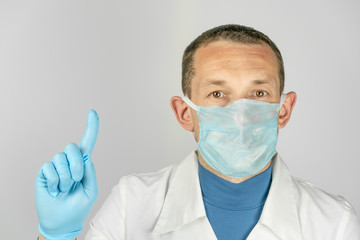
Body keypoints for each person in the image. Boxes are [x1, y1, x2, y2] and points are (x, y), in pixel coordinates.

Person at [35, 24, 360, 240]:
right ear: (185, 112)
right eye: (217, 94)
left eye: (258, 94)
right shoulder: (131, 204)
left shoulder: (334, 223)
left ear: (284, 110)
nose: (240, 115)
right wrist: (53, 235)